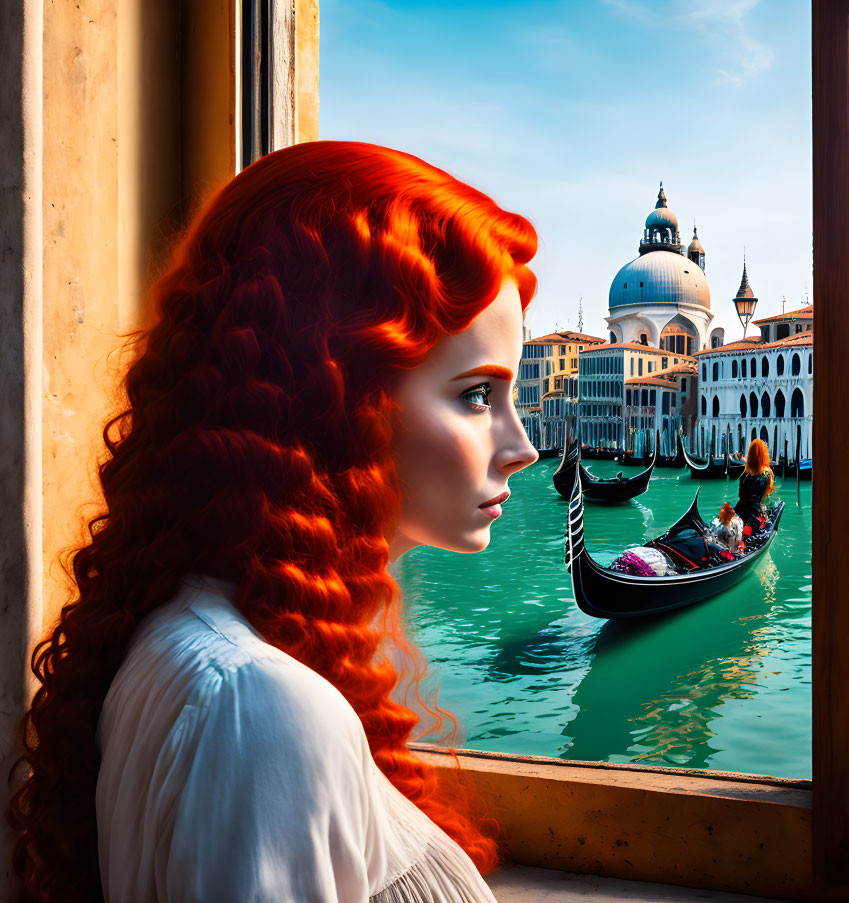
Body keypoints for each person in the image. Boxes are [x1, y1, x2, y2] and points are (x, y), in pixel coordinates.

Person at [7, 142, 539, 903]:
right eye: (476, 395)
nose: (522, 448)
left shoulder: (195, 638)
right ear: (334, 396)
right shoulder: (257, 705)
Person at [735, 439, 776, 530]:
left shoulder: (744, 474)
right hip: (754, 514)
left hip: (739, 511)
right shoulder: (767, 474)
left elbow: (740, 495)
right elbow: (764, 497)